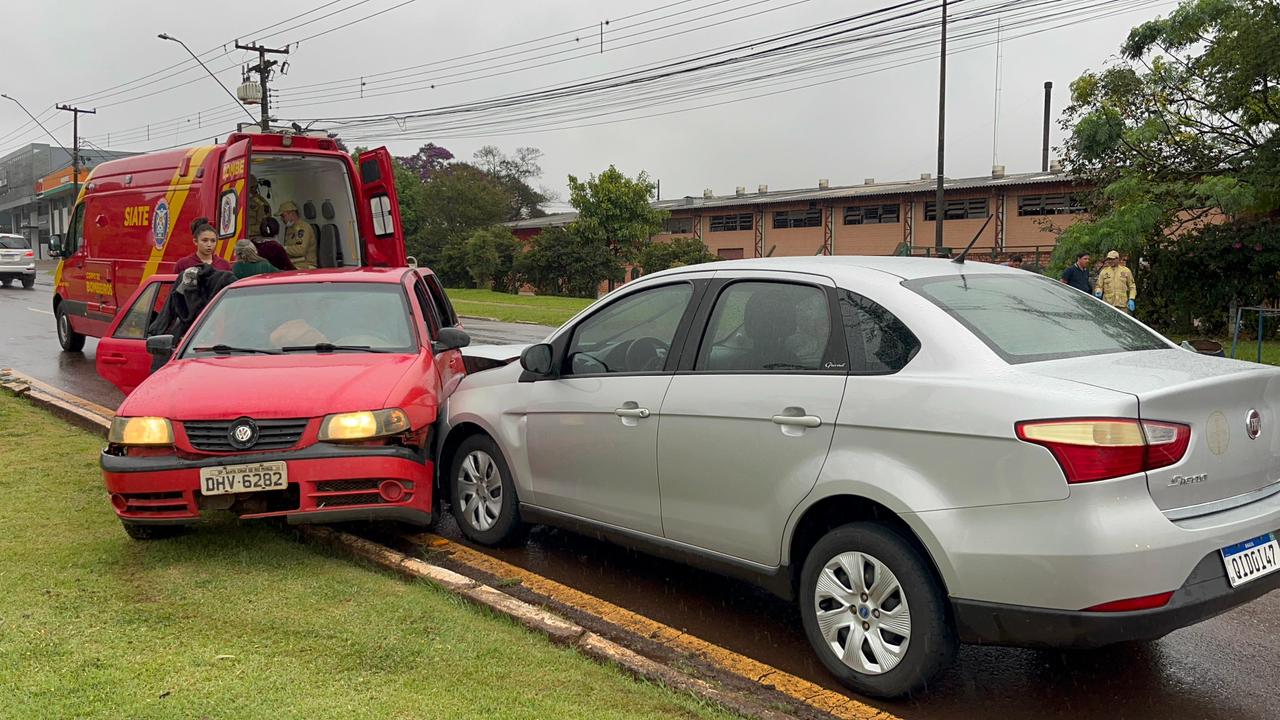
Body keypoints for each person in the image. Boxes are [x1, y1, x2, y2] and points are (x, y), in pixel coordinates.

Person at [278, 200, 317, 270]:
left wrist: (284, 249)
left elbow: (301, 249)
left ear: (292, 214)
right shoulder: (290, 229)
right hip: (294, 264)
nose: (281, 219)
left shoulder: (303, 227)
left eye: (283, 216)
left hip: (306, 266)